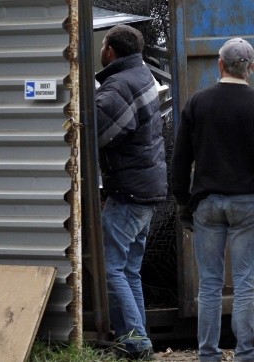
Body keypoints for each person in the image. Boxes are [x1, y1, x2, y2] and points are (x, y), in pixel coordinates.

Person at [172, 37, 254, 362]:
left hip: (206, 204)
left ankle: (208, 354)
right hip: (245, 205)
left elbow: (181, 158)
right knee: (244, 284)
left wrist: (182, 201)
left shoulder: (197, 103)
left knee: (209, 284)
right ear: (251, 68)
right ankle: (246, 353)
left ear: (219, 64)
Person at [95, 24, 167, 361]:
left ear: (110, 50)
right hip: (147, 190)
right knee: (129, 270)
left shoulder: (118, 87)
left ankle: (136, 343)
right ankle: (141, 338)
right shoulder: (142, 76)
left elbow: (93, 131)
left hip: (129, 193)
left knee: (111, 268)